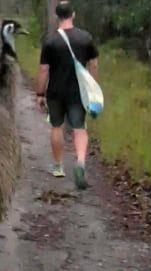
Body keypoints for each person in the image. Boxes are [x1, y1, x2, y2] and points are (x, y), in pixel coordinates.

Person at [36, 1, 99, 189]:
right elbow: (94, 65)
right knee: (79, 128)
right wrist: (93, 87)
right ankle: (80, 163)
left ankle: (58, 167)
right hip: (78, 92)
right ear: (73, 15)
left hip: (55, 92)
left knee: (57, 127)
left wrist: (40, 93)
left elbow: (43, 70)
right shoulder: (85, 38)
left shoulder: (50, 41)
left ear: (57, 17)